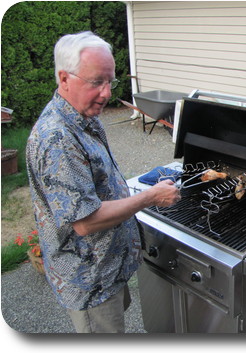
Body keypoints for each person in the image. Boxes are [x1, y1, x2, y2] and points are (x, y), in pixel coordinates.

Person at [26, 31, 180, 333]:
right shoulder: (57, 139)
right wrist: (149, 197)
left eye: (110, 81)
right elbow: (85, 222)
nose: (107, 93)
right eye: (96, 81)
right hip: (89, 279)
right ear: (64, 78)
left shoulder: (84, 115)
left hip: (108, 268)